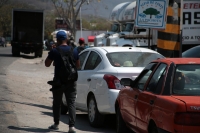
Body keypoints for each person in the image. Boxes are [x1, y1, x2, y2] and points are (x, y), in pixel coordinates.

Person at [45, 31, 80, 133]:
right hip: (71, 81)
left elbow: (47, 64)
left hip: (58, 82)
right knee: (71, 103)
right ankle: (72, 127)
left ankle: (56, 124)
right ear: (66, 39)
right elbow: (78, 65)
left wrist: (51, 52)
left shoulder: (55, 51)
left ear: (58, 40)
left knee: (57, 103)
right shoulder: (74, 50)